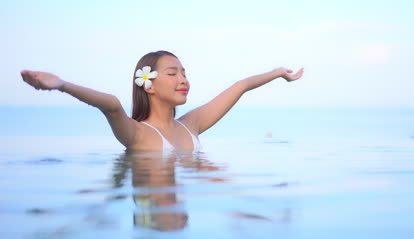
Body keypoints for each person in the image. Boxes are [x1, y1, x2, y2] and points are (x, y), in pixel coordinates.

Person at [21, 50, 304, 152]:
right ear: (149, 86)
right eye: (172, 73)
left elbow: (239, 87)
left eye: (184, 73)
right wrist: (62, 85)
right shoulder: (137, 134)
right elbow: (111, 104)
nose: (183, 79)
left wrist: (278, 73)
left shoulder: (190, 125)